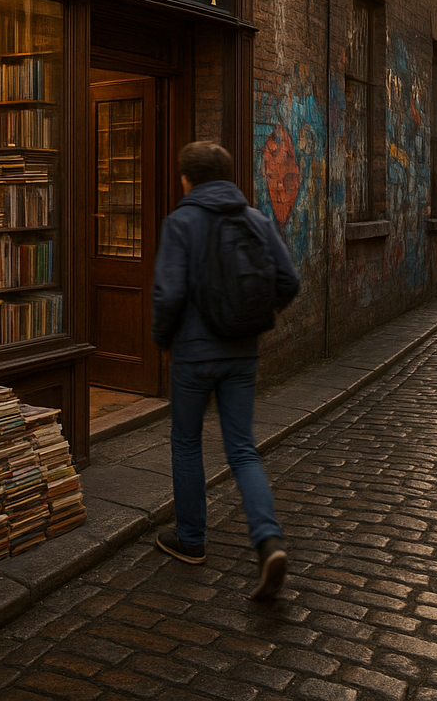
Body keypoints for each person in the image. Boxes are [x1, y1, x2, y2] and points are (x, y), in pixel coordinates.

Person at [151, 141, 300, 601]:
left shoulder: (180, 222)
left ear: (186, 179)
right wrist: (254, 318)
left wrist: (162, 339)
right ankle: (268, 541)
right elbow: (288, 280)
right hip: (241, 354)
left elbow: (168, 294)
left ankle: (191, 540)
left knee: (186, 443)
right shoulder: (254, 219)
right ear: (227, 176)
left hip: (193, 354)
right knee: (242, 449)